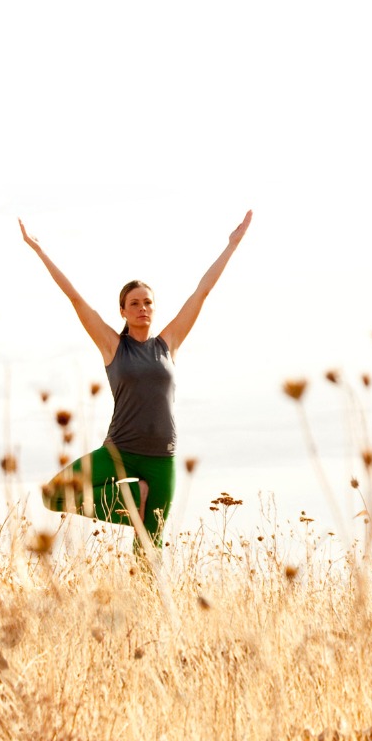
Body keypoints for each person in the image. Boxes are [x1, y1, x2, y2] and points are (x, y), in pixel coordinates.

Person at [18, 211, 253, 551]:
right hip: (119, 451)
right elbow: (76, 299)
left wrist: (231, 246)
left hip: (161, 456)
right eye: (134, 304)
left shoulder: (168, 344)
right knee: (53, 494)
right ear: (123, 312)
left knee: (150, 544)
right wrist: (39, 251)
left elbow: (201, 292)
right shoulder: (113, 346)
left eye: (147, 303)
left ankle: (146, 602)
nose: (142, 308)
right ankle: (129, 503)